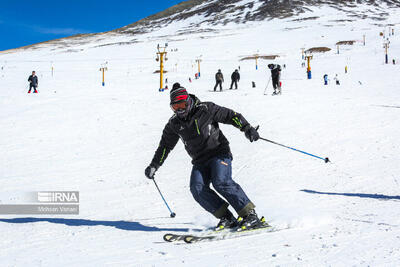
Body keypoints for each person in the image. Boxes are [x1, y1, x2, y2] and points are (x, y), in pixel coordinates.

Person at [145, 83, 262, 230]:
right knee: (197, 189)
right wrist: (154, 165)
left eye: (181, 104)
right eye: (175, 107)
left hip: (219, 152)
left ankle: (250, 215)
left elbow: (231, 116)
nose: (179, 109)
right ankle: (227, 218)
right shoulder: (174, 124)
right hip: (200, 160)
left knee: (220, 181)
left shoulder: (206, 109)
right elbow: (165, 147)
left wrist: (247, 128)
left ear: (188, 101)